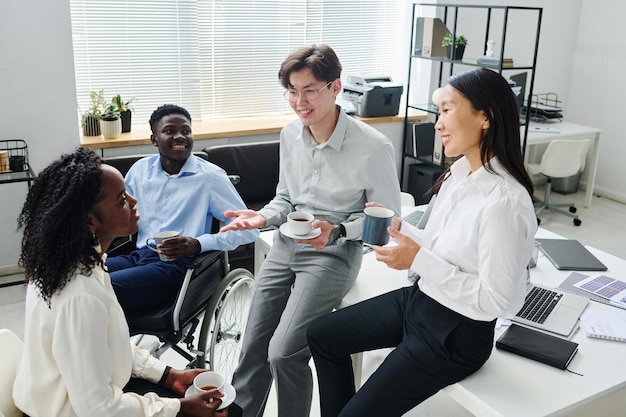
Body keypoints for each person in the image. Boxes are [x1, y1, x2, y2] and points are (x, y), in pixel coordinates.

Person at [307, 67, 538, 417]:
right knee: (322, 335)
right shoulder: (458, 176)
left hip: (458, 334)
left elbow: (500, 301)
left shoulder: (504, 203)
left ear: (485, 117)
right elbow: (444, 245)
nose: (438, 123)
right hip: (421, 301)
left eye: (447, 110)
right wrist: (402, 230)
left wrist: (418, 260)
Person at [220, 44, 401, 417]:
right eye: (292, 91)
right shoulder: (290, 135)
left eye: (309, 90)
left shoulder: (373, 147)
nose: (299, 102)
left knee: (283, 352)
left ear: (335, 88)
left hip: (333, 256)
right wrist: (261, 218)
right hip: (286, 246)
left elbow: (387, 222)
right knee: (253, 344)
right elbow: (285, 198)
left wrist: (336, 232)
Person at [13, 147, 235, 417]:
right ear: (90, 221)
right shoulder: (81, 295)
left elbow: (111, 343)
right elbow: (97, 408)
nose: (133, 200)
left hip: (81, 399)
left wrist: (168, 375)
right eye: (121, 199)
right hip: (70, 411)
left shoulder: (82, 263)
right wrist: (181, 408)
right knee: (227, 412)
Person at [106, 104, 258, 312]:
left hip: (179, 266)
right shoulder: (140, 170)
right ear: (154, 139)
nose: (180, 136)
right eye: (170, 131)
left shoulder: (210, 177)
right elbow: (121, 214)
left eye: (186, 131)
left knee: (101, 287)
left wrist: (198, 243)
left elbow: (249, 229)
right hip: (138, 255)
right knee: (78, 276)